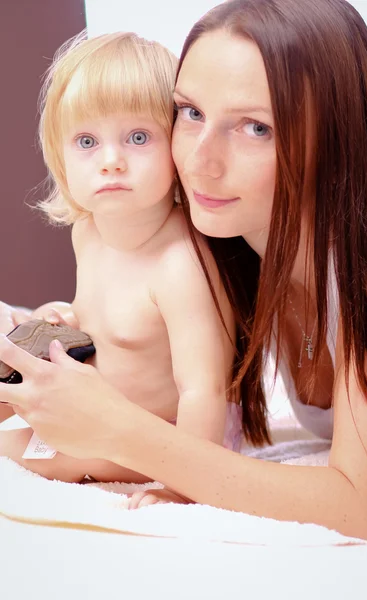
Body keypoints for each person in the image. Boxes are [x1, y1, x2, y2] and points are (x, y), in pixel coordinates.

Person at [0, 0, 367, 542]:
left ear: (336, 138)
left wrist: (123, 433)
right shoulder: (237, 245)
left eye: (256, 127)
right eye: (189, 112)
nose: (200, 161)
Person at [0, 31, 250, 492]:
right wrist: (66, 319)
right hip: (107, 416)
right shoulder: (88, 232)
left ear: (177, 147)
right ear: (59, 154)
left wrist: (182, 485)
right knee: (15, 421)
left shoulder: (180, 264)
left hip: (175, 435)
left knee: (29, 456)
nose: (111, 160)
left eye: (138, 137)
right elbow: (114, 330)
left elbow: (205, 389)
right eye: (87, 141)